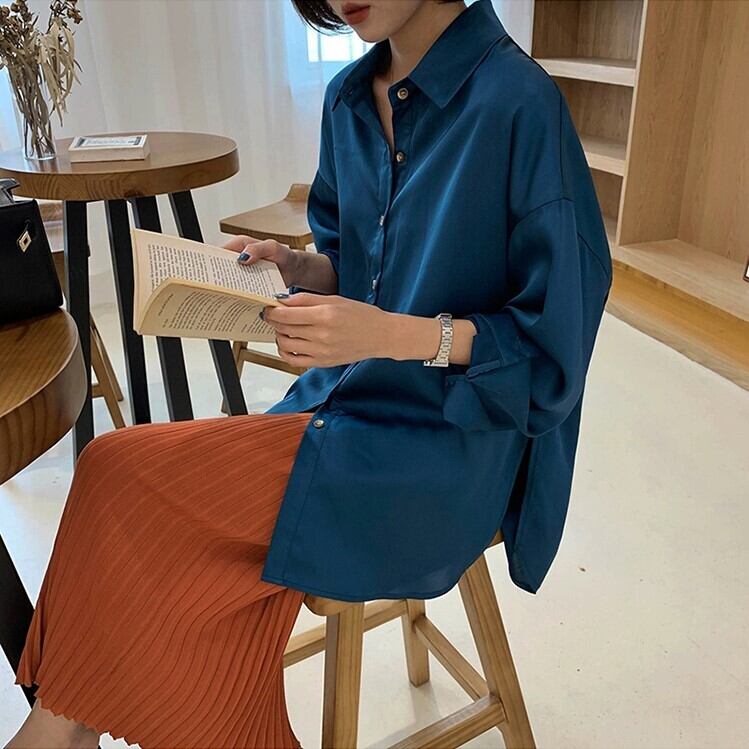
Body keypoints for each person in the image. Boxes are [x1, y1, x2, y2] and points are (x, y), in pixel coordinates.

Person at [6, 0, 612, 747]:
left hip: (447, 445)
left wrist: (389, 334)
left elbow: (550, 354)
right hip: (343, 406)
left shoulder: (519, 104)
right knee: (131, 495)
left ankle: (56, 730)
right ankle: (69, 728)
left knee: (122, 476)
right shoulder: (349, 100)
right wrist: (296, 268)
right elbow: (362, 266)